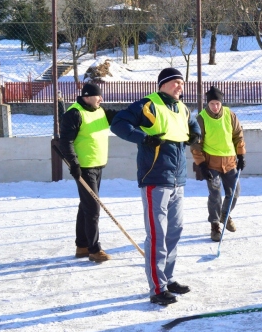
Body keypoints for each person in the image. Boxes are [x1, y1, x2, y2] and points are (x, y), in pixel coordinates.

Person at [111, 67, 201, 306]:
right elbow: (118, 123)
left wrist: (195, 135)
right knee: (157, 235)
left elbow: (194, 125)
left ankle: (168, 278)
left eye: (182, 82)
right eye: (174, 82)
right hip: (155, 178)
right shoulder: (147, 105)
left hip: (177, 179)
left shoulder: (182, 108)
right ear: (162, 84)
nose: (180, 86)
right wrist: (144, 138)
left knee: (175, 230)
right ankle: (157, 288)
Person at [58, 82, 116, 263]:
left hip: (98, 165)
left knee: (86, 205)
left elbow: (118, 117)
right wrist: (74, 164)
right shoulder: (74, 114)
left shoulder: (100, 111)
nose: (101, 99)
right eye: (98, 96)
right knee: (93, 207)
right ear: (87, 96)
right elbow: (65, 142)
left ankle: (82, 245)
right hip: (83, 168)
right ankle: (94, 249)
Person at [191, 86, 246, 241]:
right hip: (211, 163)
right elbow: (196, 144)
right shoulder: (201, 118)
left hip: (230, 162)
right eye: (212, 104)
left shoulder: (230, 115)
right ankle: (215, 224)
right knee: (215, 194)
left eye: (217, 103)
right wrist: (201, 164)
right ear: (207, 103)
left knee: (234, 193)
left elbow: (238, 135)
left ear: (221, 103)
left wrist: (241, 155)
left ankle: (225, 214)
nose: (215, 107)